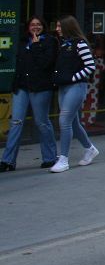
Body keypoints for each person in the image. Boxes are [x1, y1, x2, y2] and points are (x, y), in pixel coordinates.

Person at [1, 16, 57, 171]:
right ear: (28, 27)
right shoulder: (23, 41)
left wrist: (37, 45)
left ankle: (50, 157)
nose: (35, 27)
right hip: (22, 87)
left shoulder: (49, 42)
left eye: (38, 24)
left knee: (42, 122)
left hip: (40, 87)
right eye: (32, 24)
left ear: (43, 26)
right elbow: (20, 64)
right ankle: (8, 161)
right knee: (16, 122)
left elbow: (45, 63)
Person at [50, 16, 100, 173]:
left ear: (67, 27)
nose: (57, 29)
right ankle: (90, 148)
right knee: (72, 122)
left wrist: (74, 77)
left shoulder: (79, 44)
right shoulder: (65, 44)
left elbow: (91, 65)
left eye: (59, 26)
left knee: (64, 120)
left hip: (76, 86)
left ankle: (63, 159)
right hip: (65, 86)